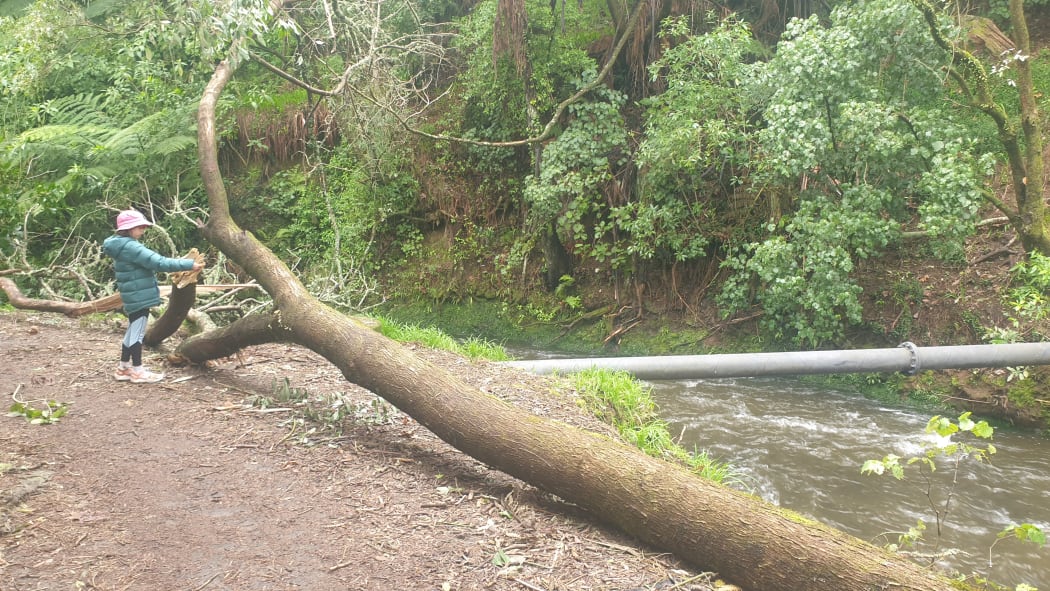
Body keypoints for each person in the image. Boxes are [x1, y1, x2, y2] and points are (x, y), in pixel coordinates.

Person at [102, 209, 205, 383]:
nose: (143, 230)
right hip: (139, 297)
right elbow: (158, 262)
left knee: (132, 332)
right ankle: (137, 371)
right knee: (137, 334)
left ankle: (123, 368)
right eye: (139, 227)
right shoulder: (131, 246)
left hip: (133, 295)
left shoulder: (119, 245)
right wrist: (189, 264)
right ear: (128, 228)